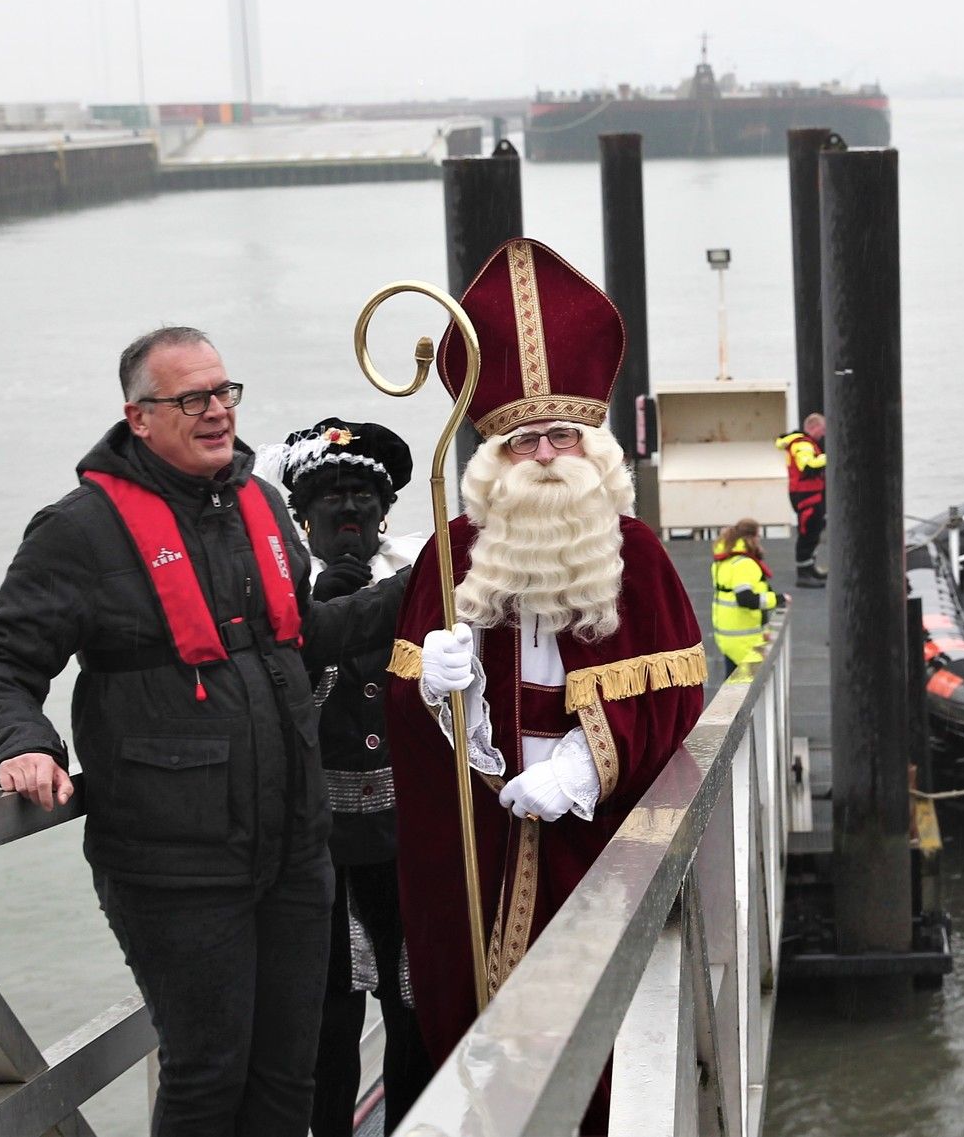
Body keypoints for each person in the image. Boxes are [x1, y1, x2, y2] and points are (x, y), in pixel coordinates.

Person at [0, 327, 409, 1136]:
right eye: (191, 398)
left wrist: (424, 582)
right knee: (208, 1073)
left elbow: (301, 639)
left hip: (296, 855)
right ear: (138, 416)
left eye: (224, 392)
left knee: (286, 1072)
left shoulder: (265, 508)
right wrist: (21, 743)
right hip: (175, 866)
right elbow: (1, 659)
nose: (215, 412)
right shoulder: (80, 529)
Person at [381, 238, 705, 1122]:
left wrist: (581, 766)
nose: (548, 453)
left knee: (604, 1044)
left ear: (592, 445)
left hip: (593, 838)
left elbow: (673, 696)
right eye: (526, 439)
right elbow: (409, 726)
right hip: (481, 839)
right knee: (483, 1037)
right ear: (492, 456)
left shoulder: (636, 555)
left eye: (564, 433)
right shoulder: (449, 557)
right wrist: (443, 697)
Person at [265, 418, 433, 1136]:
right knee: (326, 1018)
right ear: (301, 519)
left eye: (364, 497)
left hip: (408, 840)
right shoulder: (273, 597)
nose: (350, 513)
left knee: (414, 1004)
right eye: (331, 499)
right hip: (314, 848)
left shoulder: (426, 583)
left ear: (386, 508)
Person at [709, 518, 779, 676]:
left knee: (732, 689)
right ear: (752, 538)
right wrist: (777, 599)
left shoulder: (724, 561)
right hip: (746, 640)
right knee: (750, 691)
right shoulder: (744, 564)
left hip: (728, 636)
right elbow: (745, 599)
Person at [776, 412, 828, 587]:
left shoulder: (805, 443)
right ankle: (804, 573)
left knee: (813, 532)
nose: (824, 434)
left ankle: (810, 568)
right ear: (813, 427)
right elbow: (807, 465)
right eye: (823, 429)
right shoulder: (803, 445)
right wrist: (831, 456)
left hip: (811, 495)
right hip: (806, 496)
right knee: (808, 533)